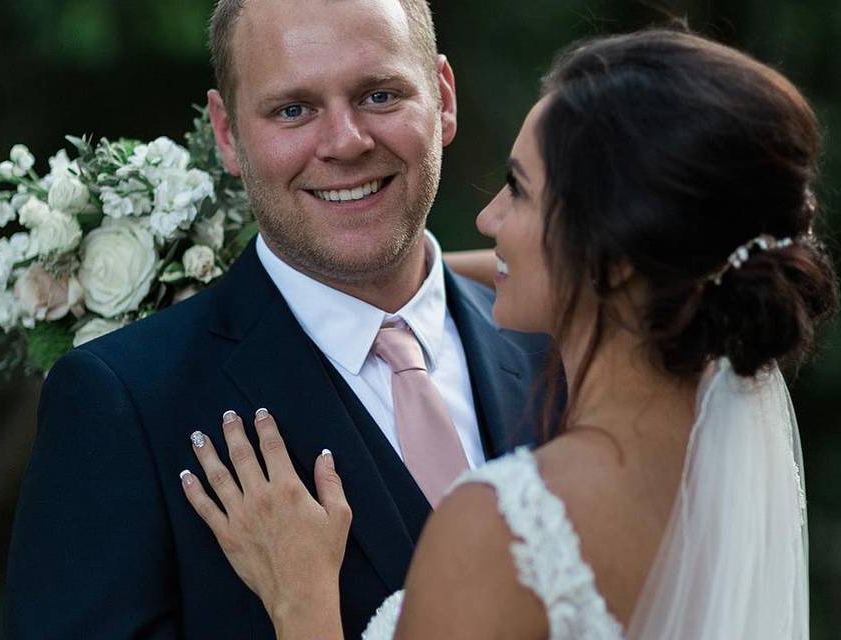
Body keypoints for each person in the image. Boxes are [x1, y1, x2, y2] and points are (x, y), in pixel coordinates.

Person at [177, 29, 839, 639]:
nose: (490, 217)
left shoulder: (500, 529)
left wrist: (304, 608)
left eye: (518, 191)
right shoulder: (731, 477)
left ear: (613, 253)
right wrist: (397, 277)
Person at [2, 0, 559, 637]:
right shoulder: (123, 405)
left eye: (379, 95)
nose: (347, 143)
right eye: (293, 110)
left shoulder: (564, 348)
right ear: (227, 134)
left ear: (442, 97)